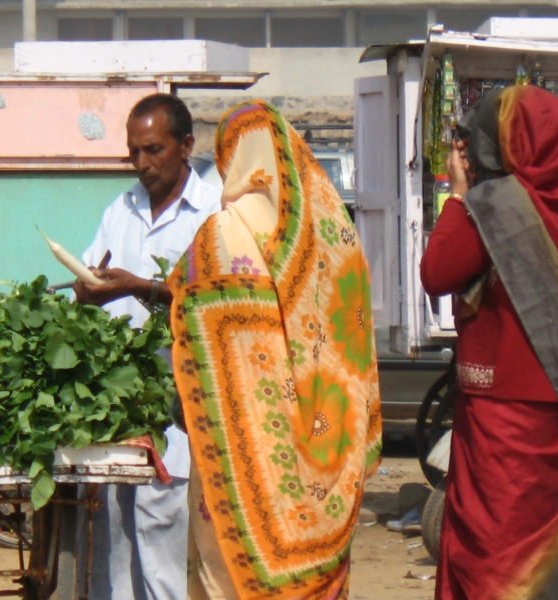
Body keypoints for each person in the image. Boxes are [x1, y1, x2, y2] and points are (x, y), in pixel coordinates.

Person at [166, 100, 382, 599]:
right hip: (329, 455)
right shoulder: (335, 233)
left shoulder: (226, 233)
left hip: (251, 459)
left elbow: (203, 331)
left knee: (231, 576)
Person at [421, 85, 558, 599]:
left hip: (502, 417)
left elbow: (437, 271)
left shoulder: (498, 208)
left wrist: (461, 193)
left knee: (494, 557)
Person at [75, 93, 221, 599]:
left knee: (163, 556)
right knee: (112, 553)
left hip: (177, 412)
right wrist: (87, 291)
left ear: (186, 145)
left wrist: (142, 288)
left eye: (153, 150)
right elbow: (95, 273)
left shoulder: (212, 216)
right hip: (116, 411)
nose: (142, 164)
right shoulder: (122, 208)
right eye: (134, 152)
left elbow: (213, 304)